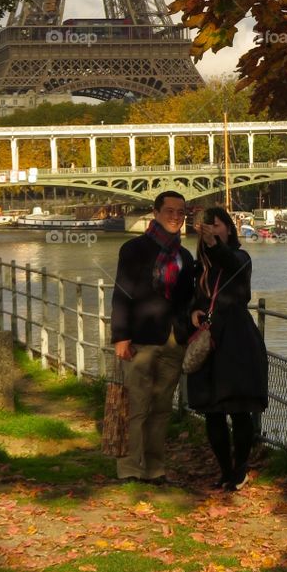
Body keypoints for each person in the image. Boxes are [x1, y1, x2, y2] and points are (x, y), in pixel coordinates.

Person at [110, 190, 195, 483]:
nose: (175, 217)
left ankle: (155, 468)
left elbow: (187, 299)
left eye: (180, 212)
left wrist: (189, 326)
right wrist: (120, 337)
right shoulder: (134, 249)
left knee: (161, 409)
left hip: (173, 340)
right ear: (156, 213)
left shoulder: (184, 256)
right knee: (137, 405)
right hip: (140, 338)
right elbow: (121, 294)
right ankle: (131, 468)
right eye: (169, 211)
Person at [187, 207, 268, 492]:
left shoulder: (240, 258)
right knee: (212, 410)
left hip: (235, 339)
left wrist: (213, 245)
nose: (212, 230)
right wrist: (194, 311)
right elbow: (196, 297)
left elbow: (232, 263)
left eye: (217, 225)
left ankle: (240, 467)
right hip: (209, 338)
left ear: (230, 230)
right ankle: (225, 470)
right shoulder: (202, 265)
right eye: (207, 226)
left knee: (239, 407)